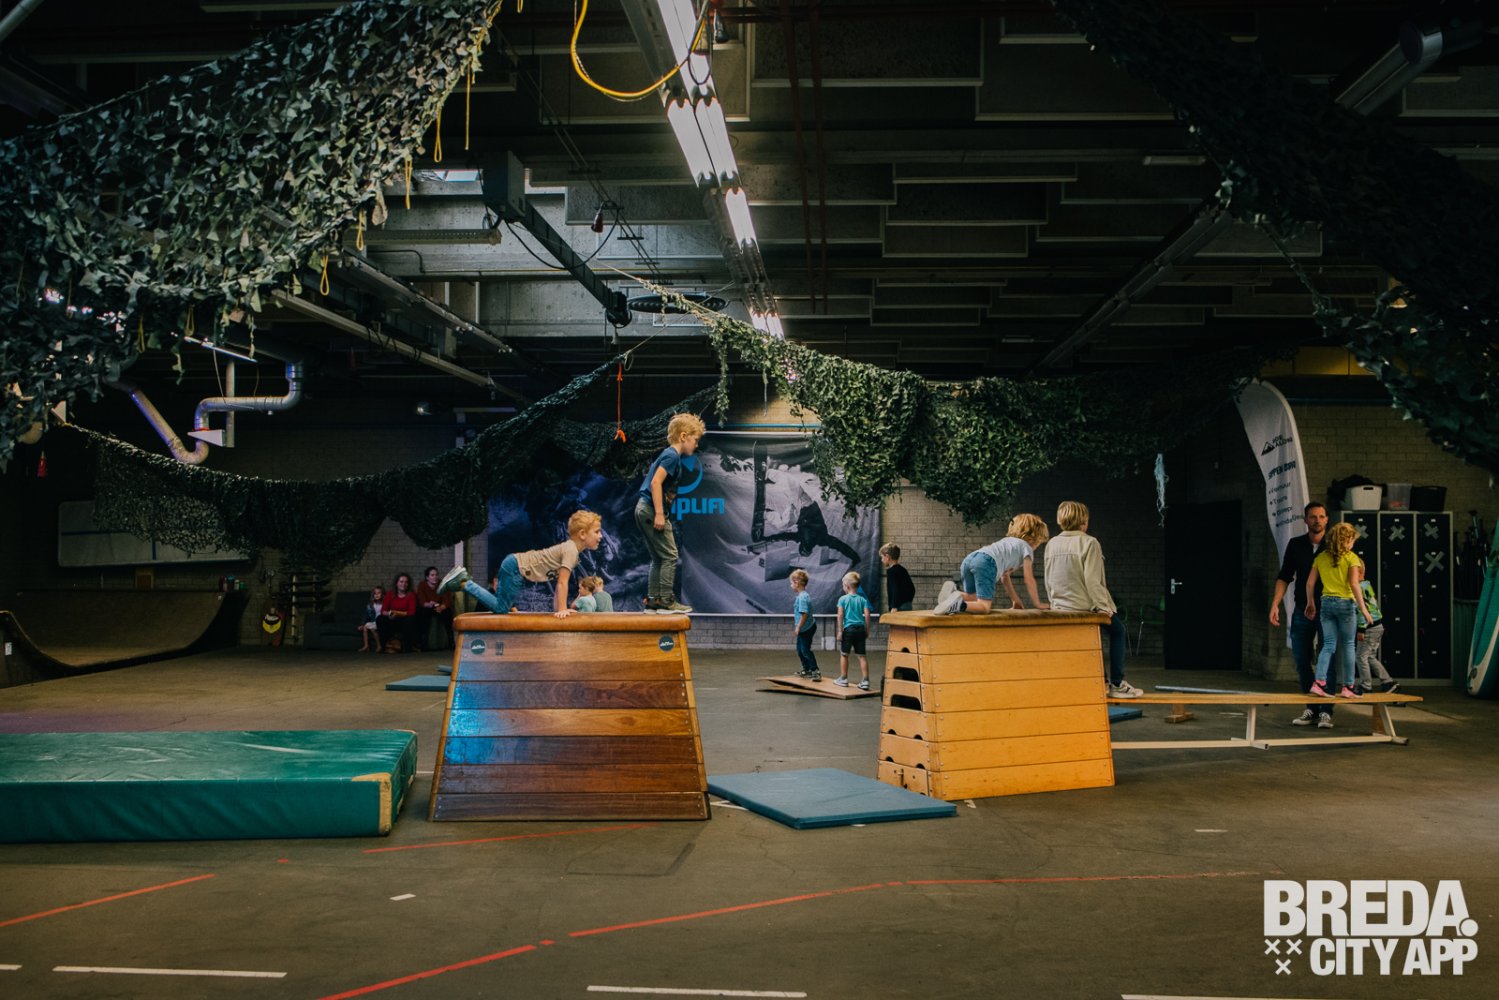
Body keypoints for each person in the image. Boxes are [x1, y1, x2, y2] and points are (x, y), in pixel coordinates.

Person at [1044, 501, 1142, 699]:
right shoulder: (1089, 542)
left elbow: (1048, 577)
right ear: (1084, 521)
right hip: (1085, 606)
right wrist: (1103, 607)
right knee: (1118, 631)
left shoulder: (1052, 543)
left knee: (1091, 639)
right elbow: (1092, 580)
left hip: (1061, 606)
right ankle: (1117, 684)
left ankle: (1101, 681)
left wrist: (1054, 603)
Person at [438, 510, 604, 619]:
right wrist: (562, 609)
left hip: (514, 565)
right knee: (501, 608)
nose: (600, 536)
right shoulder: (571, 550)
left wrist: (559, 610)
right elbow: (562, 583)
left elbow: (557, 584)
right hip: (515, 567)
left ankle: (464, 581)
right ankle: (464, 582)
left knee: (503, 607)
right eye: (597, 532)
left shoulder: (571, 550)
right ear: (582, 534)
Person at [1270, 502, 1333, 728]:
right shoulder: (1296, 544)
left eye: (1321, 516)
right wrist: (1275, 604)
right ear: (1305, 520)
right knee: (1301, 659)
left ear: (1327, 520)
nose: (1317, 520)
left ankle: (1326, 711)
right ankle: (1311, 708)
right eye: (1313, 517)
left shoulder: (1334, 545)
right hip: (1302, 609)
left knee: (1328, 659)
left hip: (1329, 610)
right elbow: (1285, 576)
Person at [635, 412, 705, 614]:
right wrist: (659, 513)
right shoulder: (671, 456)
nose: (696, 445)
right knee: (670, 555)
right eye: (695, 440)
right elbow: (656, 482)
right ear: (684, 436)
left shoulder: (669, 455)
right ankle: (666, 600)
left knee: (659, 557)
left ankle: (654, 601)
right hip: (650, 508)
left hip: (643, 508)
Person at [1305, 521, 1374, 699]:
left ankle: (1319, 682)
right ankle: (1348, 686)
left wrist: (1310, 602)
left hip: (1326, 603)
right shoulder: (1352, 558)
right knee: (1348, 645)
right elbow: (1354, 584)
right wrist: (1364, 609)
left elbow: (1310, 583)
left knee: (1328, 645)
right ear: (1346, 540)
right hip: (1346, 604)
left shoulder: (1320, 557)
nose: (1353, 543)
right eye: (1352, 540)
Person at [935, 513, 1051, 614]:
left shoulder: (1007, 543)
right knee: (984, 607)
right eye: (1039, 543)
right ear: (1033, 538)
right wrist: (1038, 603)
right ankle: (957, 605)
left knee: (973, 598)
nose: (1037, 547)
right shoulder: (1027, 548)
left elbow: (1005, 577)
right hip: (986, 563)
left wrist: (1016, 601)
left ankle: (953, 594)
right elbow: (1028, 578)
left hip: (970, 559)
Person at [1354, 578, 1398, 694]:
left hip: (1369, 627)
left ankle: (1366, 686)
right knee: (1370, 656)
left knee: (1361, 657)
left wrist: (1361, 629)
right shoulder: (1366, 584)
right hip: (1377, 626)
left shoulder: (1358, 588)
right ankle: (1388, 682)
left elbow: (1361, 609)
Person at [835, 570, 872, 690]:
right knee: (862, 656)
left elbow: (840, 615)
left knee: (844, 655)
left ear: (847, 585)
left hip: (848, 630)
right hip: (860, 630)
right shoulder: (863, 600)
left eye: (843, 585)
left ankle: (843, 679)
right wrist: (867, 630)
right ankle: (865, 681)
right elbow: (867, 615)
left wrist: (840, 631)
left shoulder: (842, 599)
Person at [414, 565, 455, 650]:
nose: (435, 577)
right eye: (432, 575)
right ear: (427, 577)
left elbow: (447, 600)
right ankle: (422, 642)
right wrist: (429, 604)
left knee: (448, 613)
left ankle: (451, 640)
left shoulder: (442, 584)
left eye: (436, 575)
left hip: (440, 607)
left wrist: (441, 607)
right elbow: (421, 601)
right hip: (428, 607)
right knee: (422, 613)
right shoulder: (422, 585)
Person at [377, 572, 419, 653]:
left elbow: (411, 612)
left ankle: (407, 647)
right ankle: (384, 646)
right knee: (380, 619)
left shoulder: (411, 595)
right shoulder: (389, 594)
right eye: (401, 582)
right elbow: (383, 611)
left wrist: (397, 613)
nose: (404, 584)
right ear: (396, 583)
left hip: (405, 619)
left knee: (410, 620)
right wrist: (390, 613)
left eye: (406, 582)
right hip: (392, 618)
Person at [880, 543, 915, 612]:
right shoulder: (903, 570)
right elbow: (912, 589)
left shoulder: (891, 572)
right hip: (907, 605)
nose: (881, 560)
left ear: (887, 556)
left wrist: (894, 606)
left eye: (882, 557)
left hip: (898, 607)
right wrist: (907, 601)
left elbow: (895, 589)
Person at [358, 585, 384, 652]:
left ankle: (379, 646)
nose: (376, 595)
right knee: (365, 627)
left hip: (381, 622)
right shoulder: (370, 605)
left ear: (382, 594)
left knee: (372, 629)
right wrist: (362, 624)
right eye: (375, 593)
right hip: (374, 622)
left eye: (379, 593)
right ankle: (366, 646)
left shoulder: (384, 604)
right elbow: (366, 615)